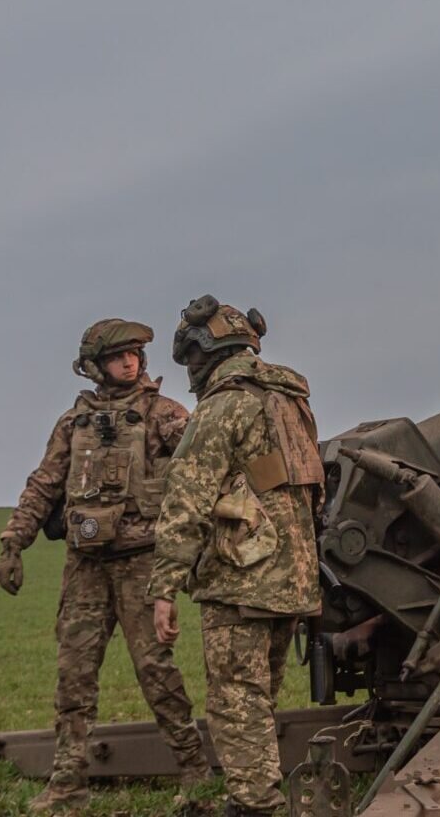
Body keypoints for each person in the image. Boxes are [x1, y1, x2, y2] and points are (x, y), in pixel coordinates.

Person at [0, 319, 211, 812]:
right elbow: (44, 484)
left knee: (156, 673)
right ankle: (68, 782)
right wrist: (13, 541)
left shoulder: (163, 414)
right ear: (95, 365)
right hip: (86, 566)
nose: (130, 362)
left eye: (136, 354)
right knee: (74, 675)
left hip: (142, 564)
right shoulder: (73, 425)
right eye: (119, 356)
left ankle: (195, 769)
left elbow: (202, 461)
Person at [148, 296, 323, 817]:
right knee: (259, 697)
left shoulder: (223, 406)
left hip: (241, 579)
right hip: (292, 577)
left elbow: (187, 501)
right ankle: (260, 793)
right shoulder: (289, 400)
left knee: (235, 701)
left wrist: (163, 587)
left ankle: (255, 805)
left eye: (191, 362)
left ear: (206, 353)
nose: (190, 374)